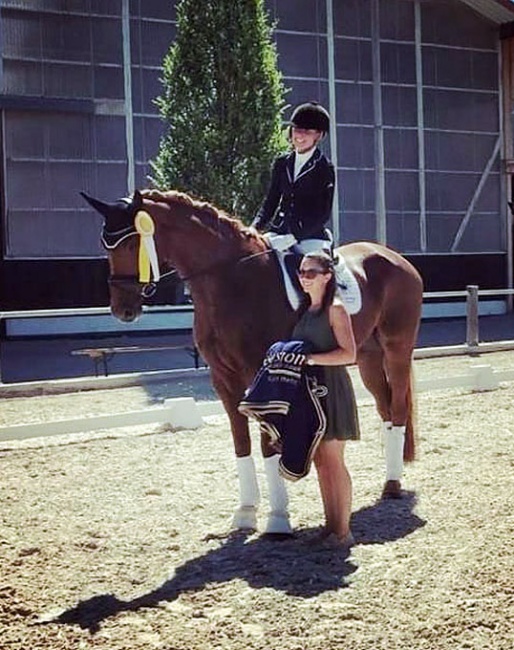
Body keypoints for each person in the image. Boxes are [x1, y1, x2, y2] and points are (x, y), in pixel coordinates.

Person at [292, 251, 360, 547]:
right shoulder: (305, 309)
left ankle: (343, 531)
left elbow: (349, 354)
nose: (304, 277)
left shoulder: (336, 309)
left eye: (311, 272)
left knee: (334, 460)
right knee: (320, 460)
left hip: (331, 388)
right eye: (302, 272)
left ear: (327, 276)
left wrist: (309, 359)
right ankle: (329, 526)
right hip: (309, 391)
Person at [252, 101, 335, 255]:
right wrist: (254, 227)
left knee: (314, 271)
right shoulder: (282, 163)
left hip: (309, 237)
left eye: (307, 131)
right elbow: (271, 201)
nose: (300, 136)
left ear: (319, 134)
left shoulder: (324, 168)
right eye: (297, 129)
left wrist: (293, 238)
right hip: (279, 232)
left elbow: (323, 213)